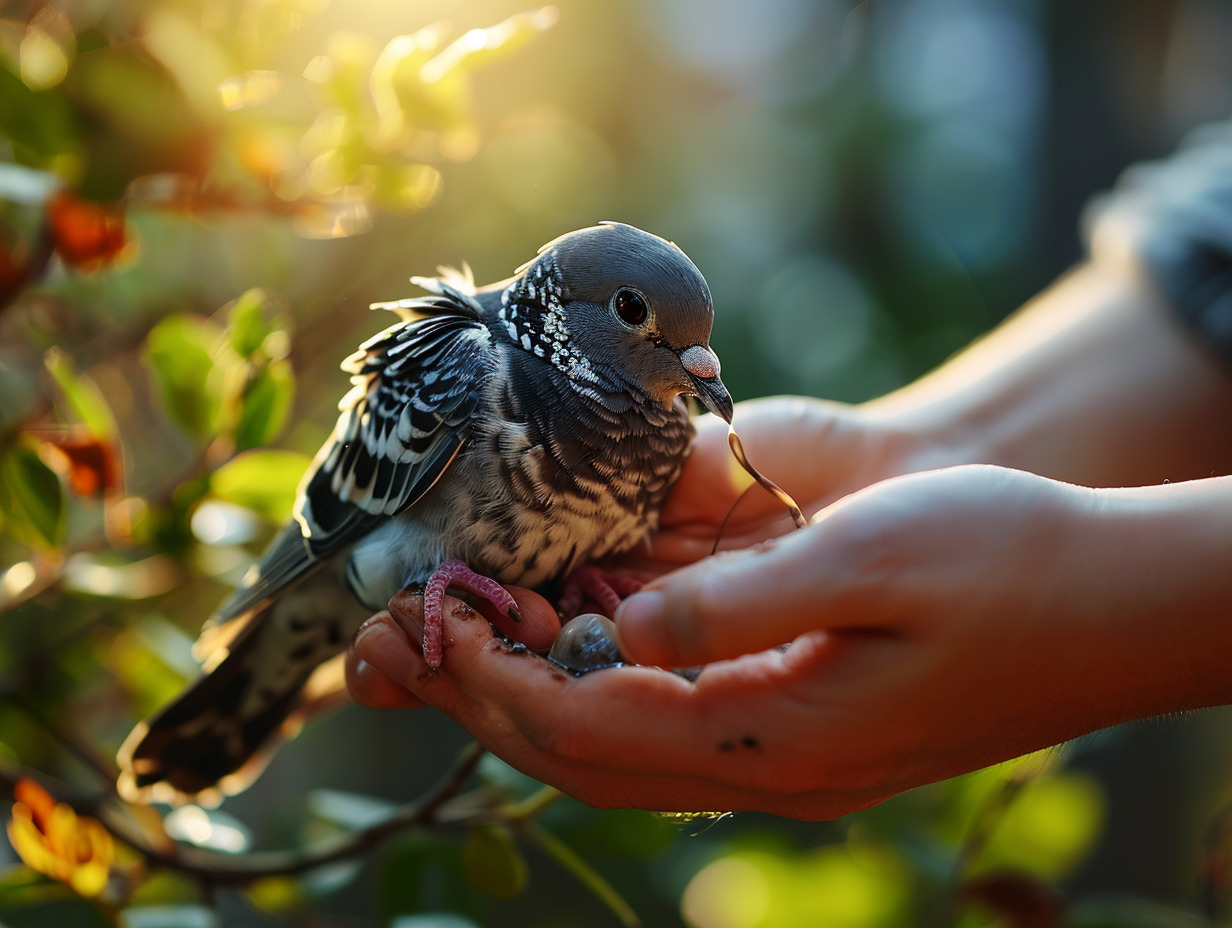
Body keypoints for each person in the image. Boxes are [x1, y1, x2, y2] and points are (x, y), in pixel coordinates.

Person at [343, 122, 1232, 821]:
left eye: (697, 345)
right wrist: (949, 447)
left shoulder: (653, 410)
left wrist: (1094, 592)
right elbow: (1211, 258)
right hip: (375, 552)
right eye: (633, 315)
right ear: (578, 313)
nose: (695, 369)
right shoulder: (469, 366)